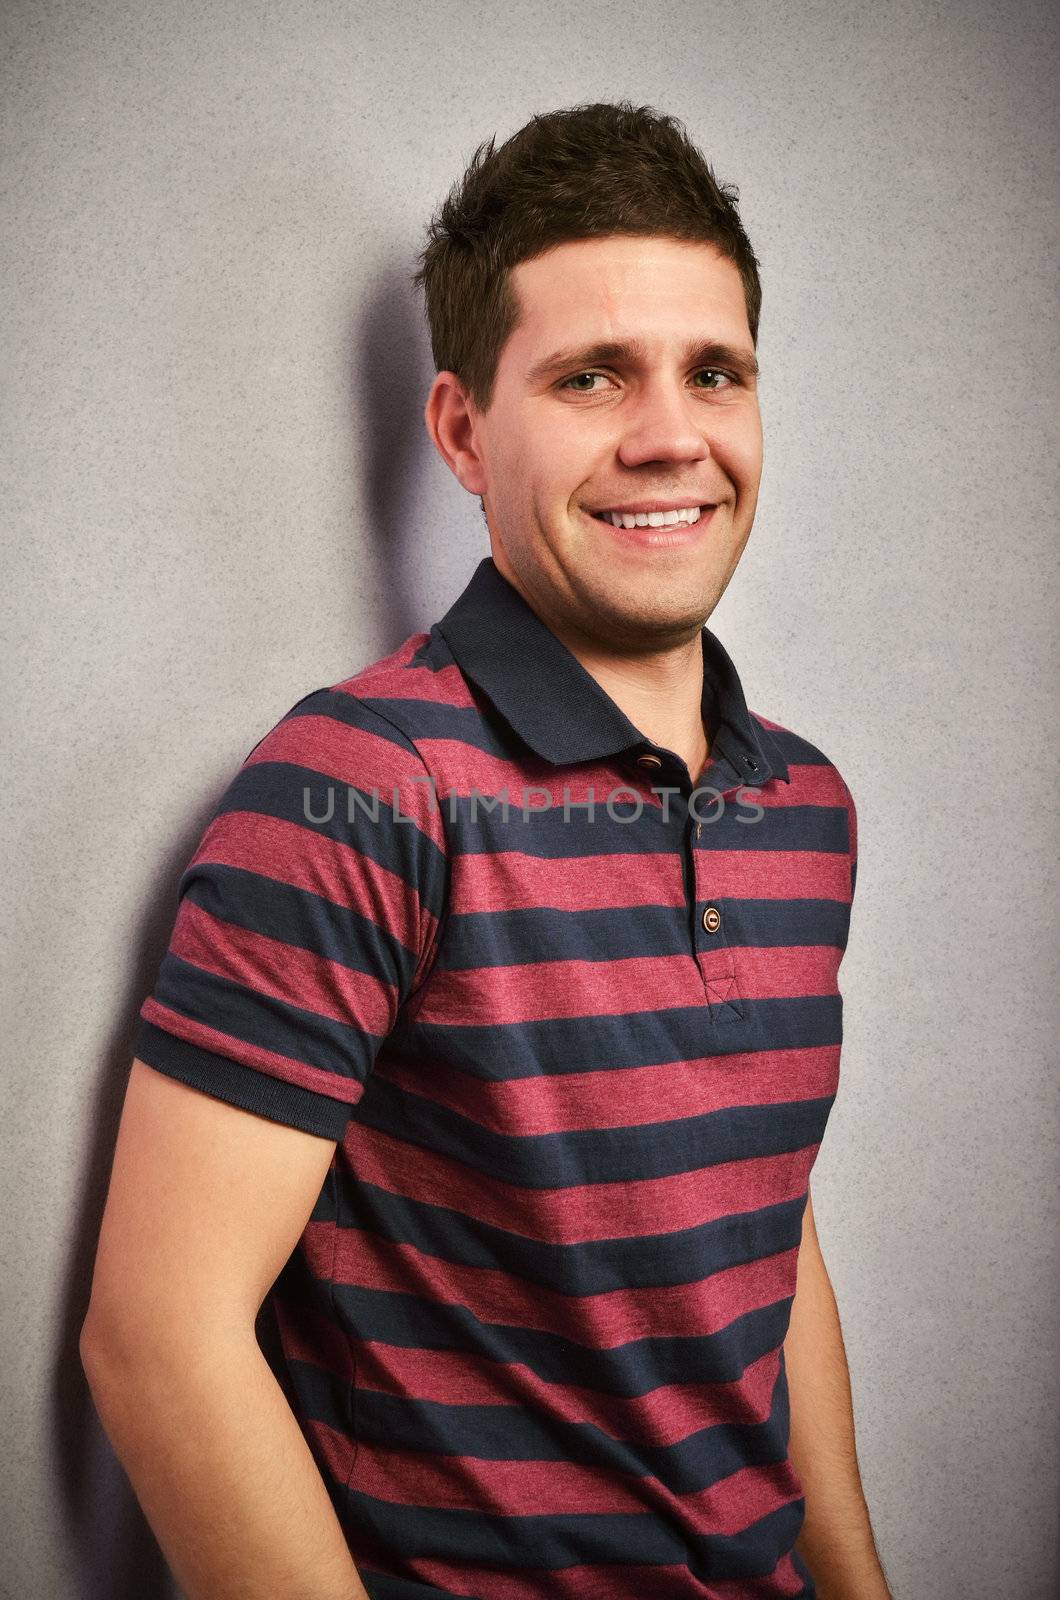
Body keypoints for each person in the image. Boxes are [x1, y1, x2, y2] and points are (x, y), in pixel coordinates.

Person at [80, 100, 892, 1600]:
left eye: (716, 371)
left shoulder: (807, 810)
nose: (673, 433)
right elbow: (158, 1340)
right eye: (593, 376)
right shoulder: (358, 785)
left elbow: (763, 1243)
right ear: (461, 428)